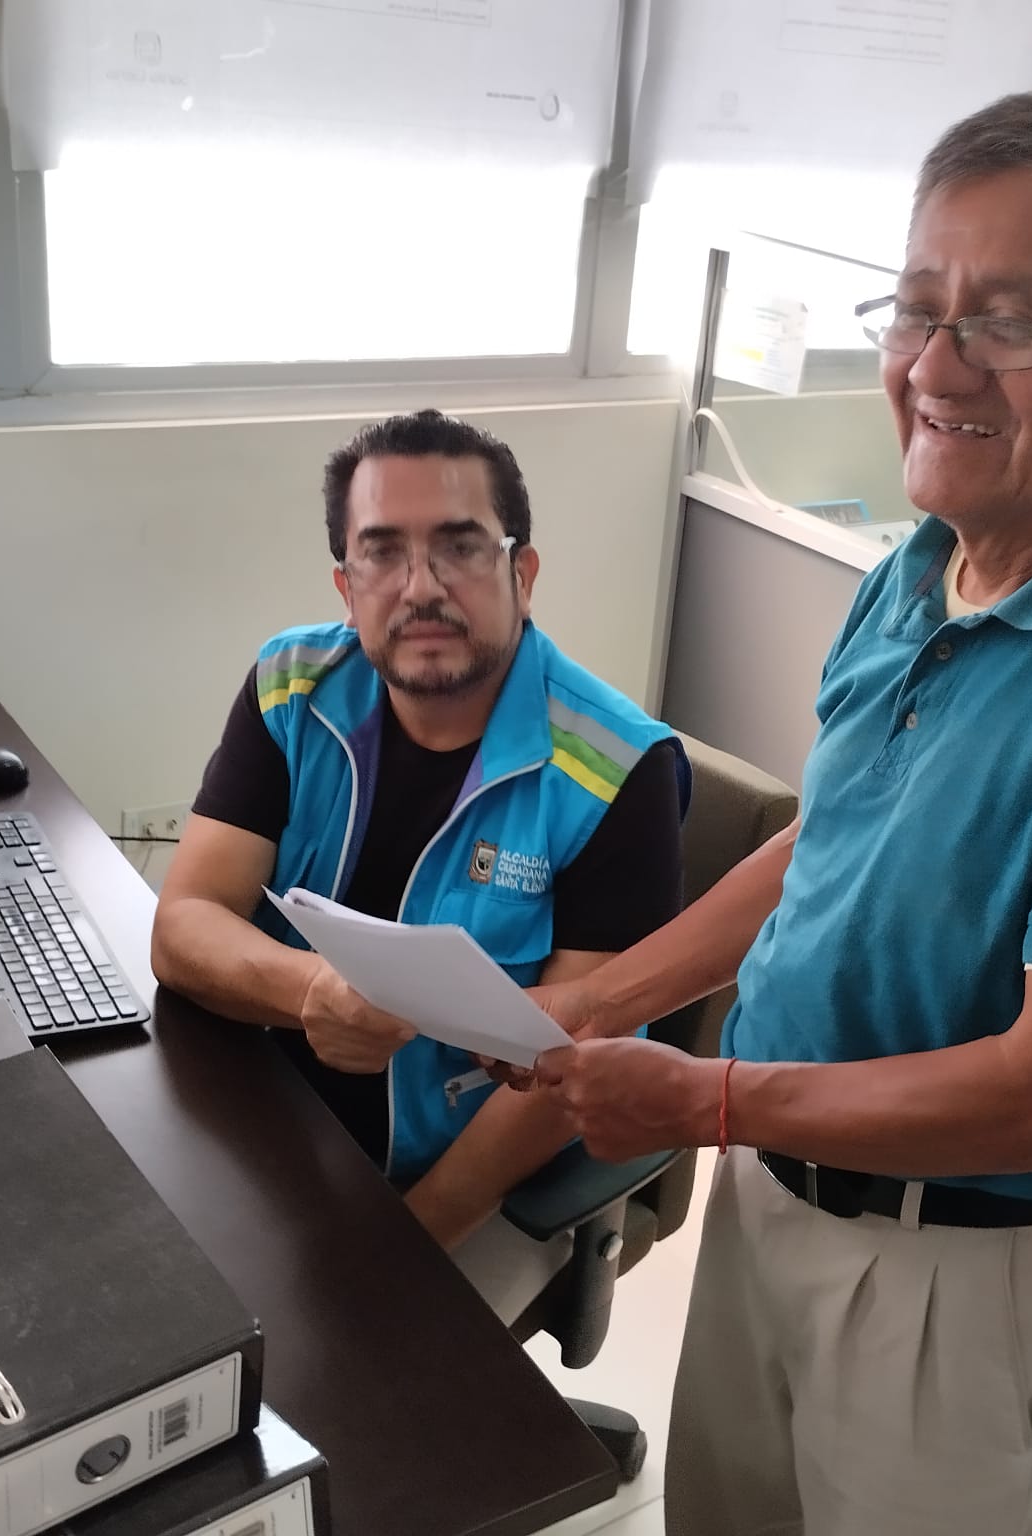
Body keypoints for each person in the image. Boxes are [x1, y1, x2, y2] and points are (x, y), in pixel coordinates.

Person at [521, 94, 1032, 1534]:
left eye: (1009, 324)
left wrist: (701, 1099)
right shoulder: (922, 565)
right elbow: (823, 842)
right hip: (771, 1195)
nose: (934, 368)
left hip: (959, 1276)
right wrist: (602, 1000)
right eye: (916, 309)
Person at [151, 408, 689, 1323]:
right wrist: (310, 992)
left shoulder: (615, 770)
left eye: (460, 548)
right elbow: (184, 924)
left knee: (342, 1384)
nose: (422, 587)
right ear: (346, 585)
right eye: (383, 553)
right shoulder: (292, 686)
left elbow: (574, 1066)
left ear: (522, 574)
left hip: (463, 1184)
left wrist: (404, 1246)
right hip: (263, 1132)